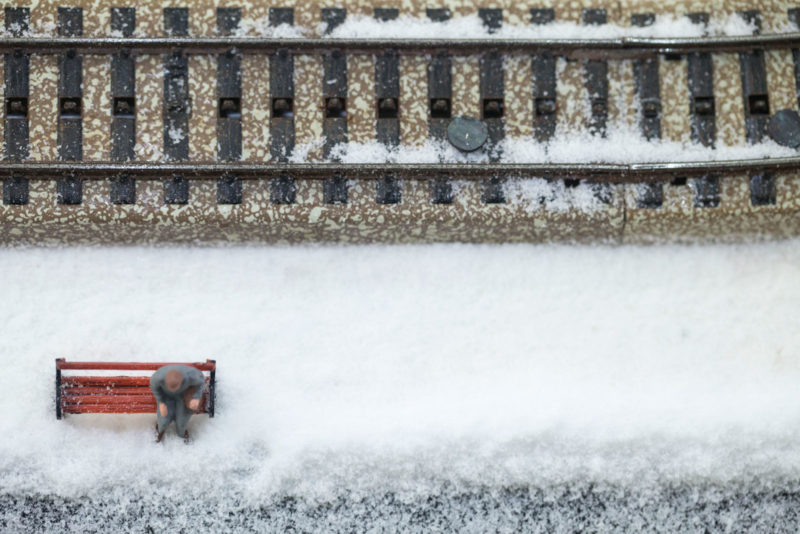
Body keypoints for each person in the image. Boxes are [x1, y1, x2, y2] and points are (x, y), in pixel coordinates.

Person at [150, 364, 205, 442]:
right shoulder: (158, 377)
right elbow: (154, 387)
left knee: (182, 422)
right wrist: (161, 402)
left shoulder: (191, 375)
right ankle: (160, 429)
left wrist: (196, 397)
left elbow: (200, 382)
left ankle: (182, 432)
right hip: (166, 396)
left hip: (183, 395)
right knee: (163, 419)